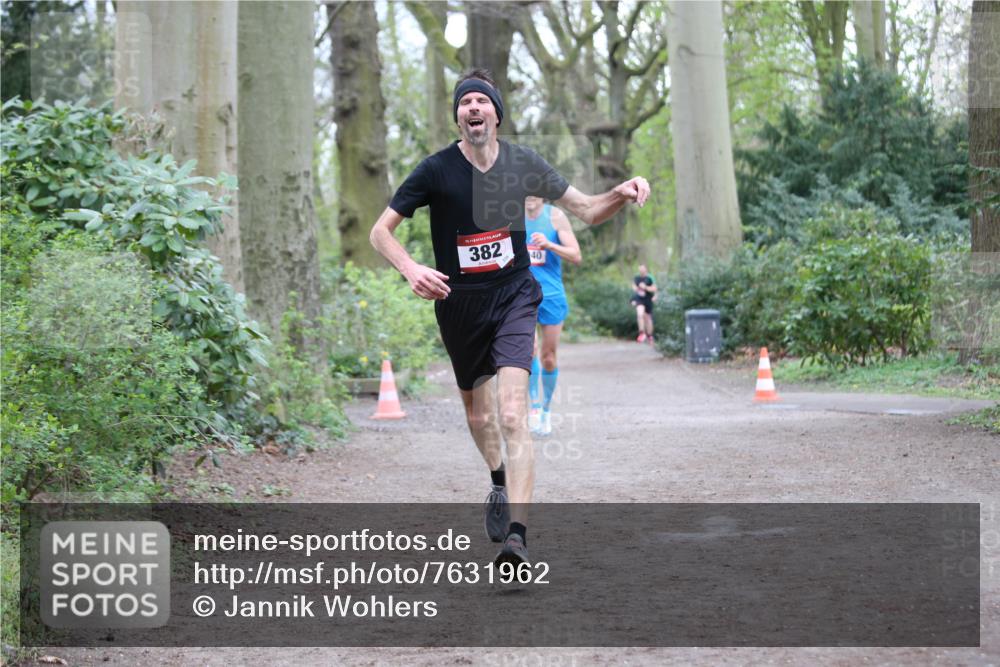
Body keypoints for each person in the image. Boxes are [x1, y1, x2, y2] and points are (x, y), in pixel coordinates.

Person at [370, 68, 650, 566]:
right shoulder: (435, 171)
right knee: (479, 416)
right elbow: (380, 232)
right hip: (459, 304)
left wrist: (621, 193)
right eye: (464, 102)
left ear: (497, 114)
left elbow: (586, 209)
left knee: (513, 412)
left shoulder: (524, 163)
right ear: (458, 116)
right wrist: (410, 268)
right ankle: (498, 480)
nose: (472, 108)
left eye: (481, 101)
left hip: (515, 297)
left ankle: (517, 538)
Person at [524, 196, 581, 437]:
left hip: (552, 295)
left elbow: (576, 255)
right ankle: (534, 408)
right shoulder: (510, 216)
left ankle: (546, 410)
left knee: (548, 357)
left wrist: (549, 245)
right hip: (521, 295)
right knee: (529, 351)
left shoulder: (555, 216)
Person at [630, 264, 656, 343]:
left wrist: (646, 287)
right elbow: (634, 287)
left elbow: (654, 288)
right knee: (640, 314)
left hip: (648, 299)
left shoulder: (650, 277)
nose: (641, 270)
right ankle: (641, 333)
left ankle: (650, 335)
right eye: (640, 269)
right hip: (639, 299)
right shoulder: (636, 278)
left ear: (646, 269)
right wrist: (633, 298)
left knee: (648, 318)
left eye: (642, 269)